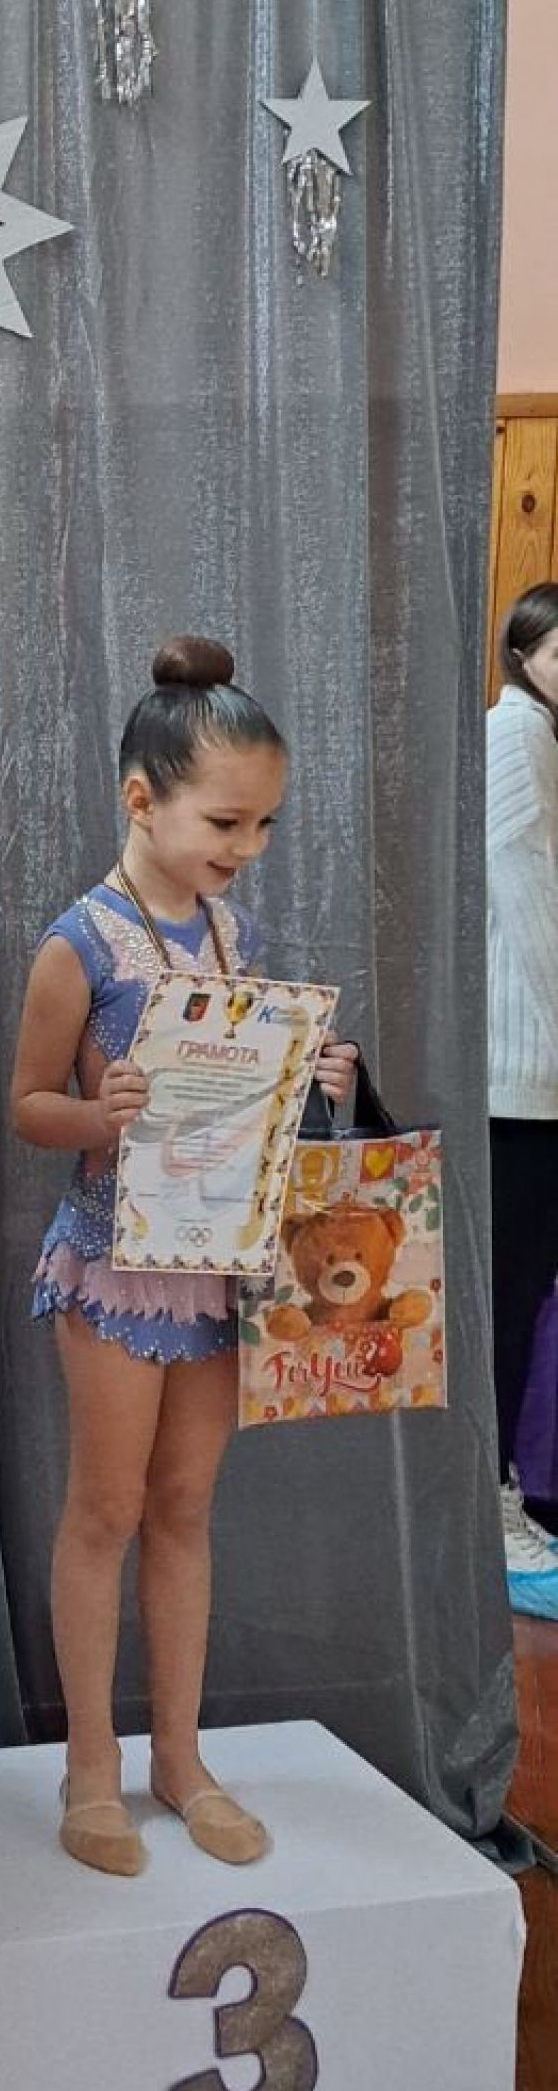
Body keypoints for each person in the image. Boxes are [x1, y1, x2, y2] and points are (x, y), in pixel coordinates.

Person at [9, 638, 356, 1877]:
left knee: (186, 1507)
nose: (246, 844)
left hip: (216, 1265)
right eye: (225, 820)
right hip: (113, 1264)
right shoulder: (81, 944)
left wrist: (313, 1078)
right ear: (141, 798)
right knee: (104, 1506)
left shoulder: (231, 933)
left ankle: (181, 1754)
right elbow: (27, 1105)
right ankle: (88, 1763)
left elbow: (236, 1100)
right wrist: (96, 1114)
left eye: (264, 823)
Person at [487, 582, 558, 1610]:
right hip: (523, 1072)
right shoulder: (516, 732)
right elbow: (520, 884)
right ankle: (495, 1501)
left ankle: (508, 1492)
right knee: (510, 1294)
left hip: (539, 1074)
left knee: (530, 1291)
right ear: (525, 650)